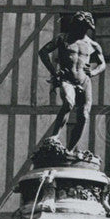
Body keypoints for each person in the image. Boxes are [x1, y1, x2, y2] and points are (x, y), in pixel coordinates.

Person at [38, 12, 106, 151]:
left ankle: (69, 150)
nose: (80, 30)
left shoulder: (93, 44)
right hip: (67, 79)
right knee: (69, 102)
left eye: (83, 28)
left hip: (84, 81)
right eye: (78, 26)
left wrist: (93, 72)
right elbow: (43, 52)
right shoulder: (63, 39)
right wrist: (53, 72)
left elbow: (102, 64)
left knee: (84, 116)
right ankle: (55, 136)